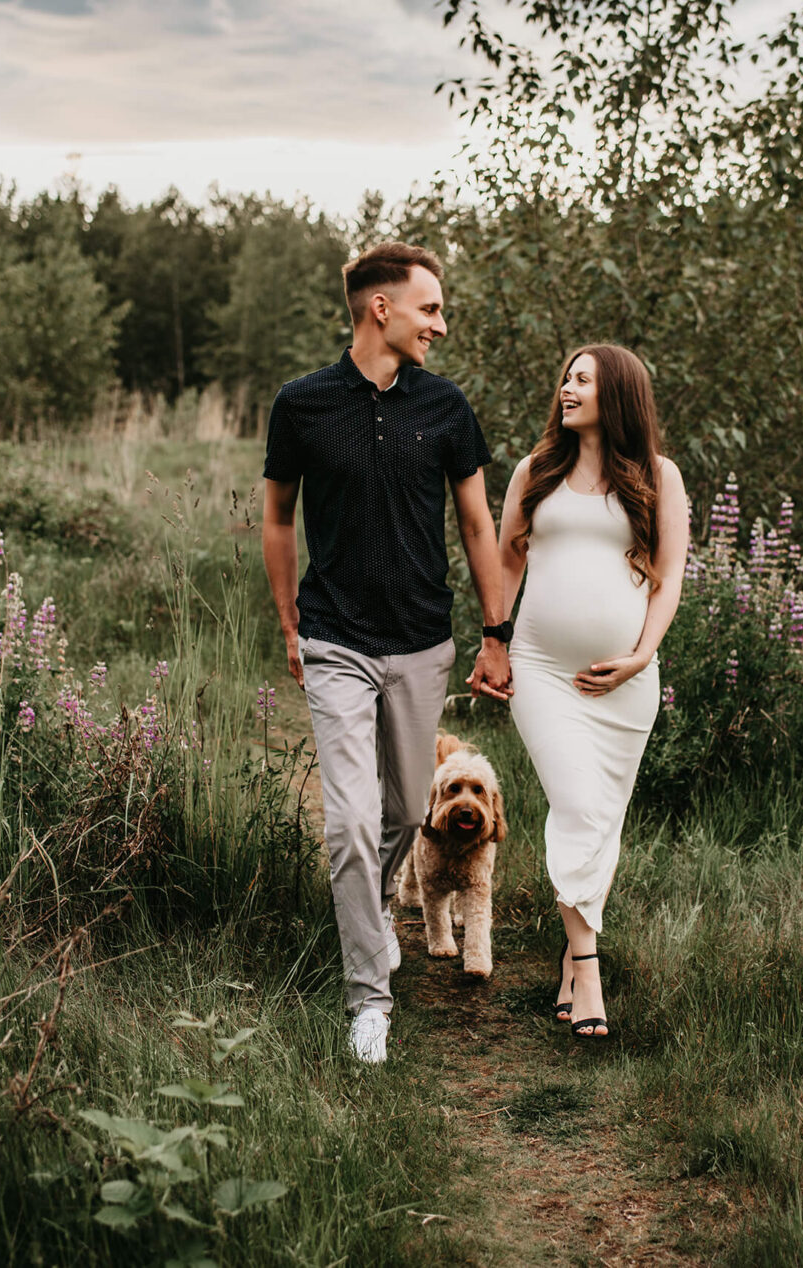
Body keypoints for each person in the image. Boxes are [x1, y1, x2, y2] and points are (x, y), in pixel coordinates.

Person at [261, 242, 512, 1065]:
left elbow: (476, 523)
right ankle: (369, 998)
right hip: (334, 639)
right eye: (429, 308)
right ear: (382, 308)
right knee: (350, 824)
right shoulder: (301, 404)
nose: (440, 324)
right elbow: (277, 517)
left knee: (406, 813)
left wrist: (496, 633)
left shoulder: (445, 406)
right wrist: (291, 623)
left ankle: (366, 923)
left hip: (421, 643)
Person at [492, 344, 688, 1039]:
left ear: (619, 395)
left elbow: (670, 575)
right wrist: (493, 641)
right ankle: (589, 968)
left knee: (602, 821)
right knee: (577, 807)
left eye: (583, 380)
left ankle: (570, 962)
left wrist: (641, 656)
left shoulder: (659, 477)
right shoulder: (535, 471)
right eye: (566, 378)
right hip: (542, 671)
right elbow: (505, 561)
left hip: (625, 684)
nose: (567, 389)